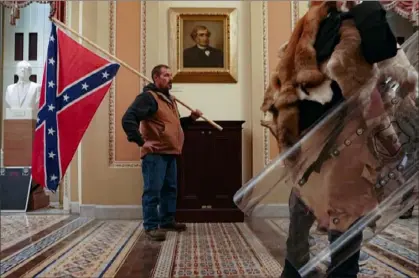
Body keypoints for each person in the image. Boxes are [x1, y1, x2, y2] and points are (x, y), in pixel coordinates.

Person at [121, 64, 202, 241]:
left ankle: (166, 221)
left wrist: (191, 119)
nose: (169, 78)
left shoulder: (169, 99)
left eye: (170, 75)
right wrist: (142, 142)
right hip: (155, 154)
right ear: (156, 78)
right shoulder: (148, 98)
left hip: (170, 152)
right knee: (153, 191)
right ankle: (151, 226)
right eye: (165, 75)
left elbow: (173, 126)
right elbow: (128, 119)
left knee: (169, 190)